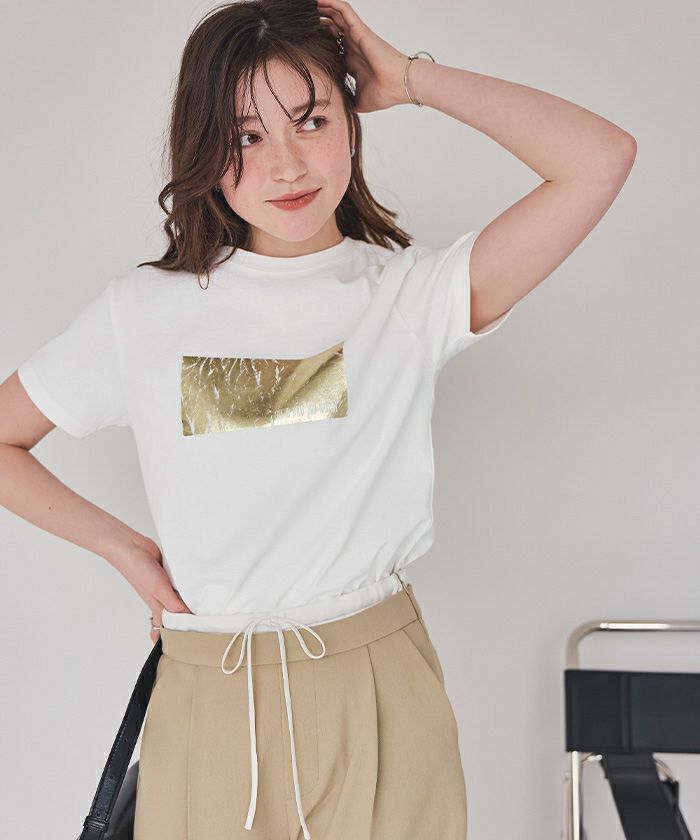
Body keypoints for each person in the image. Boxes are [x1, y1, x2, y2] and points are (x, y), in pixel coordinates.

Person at [0, 0, 636, 837]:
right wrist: (128, 551)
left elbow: (600, 159)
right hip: (209, 692)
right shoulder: (142, 313)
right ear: (203, 149)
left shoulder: (410, 296)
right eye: (246, 136)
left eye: (311, 120)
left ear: (351, 120)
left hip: (379, 686)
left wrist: (409, 78)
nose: (288, 164)